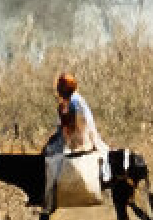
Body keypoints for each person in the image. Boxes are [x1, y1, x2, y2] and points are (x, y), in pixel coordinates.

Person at [43, 72, 107, 210]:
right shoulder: (75, 100)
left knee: (51, 161)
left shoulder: (74, 103)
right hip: (80, 140)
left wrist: (65, 140)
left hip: (81, 143)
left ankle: (48, 203)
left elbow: (75, 129)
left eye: (60, 88)